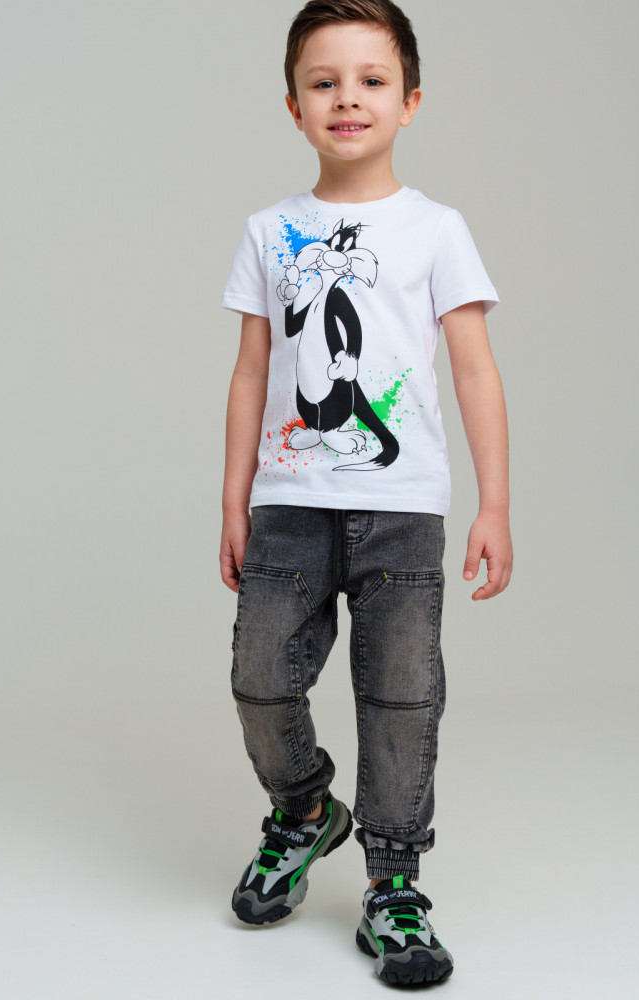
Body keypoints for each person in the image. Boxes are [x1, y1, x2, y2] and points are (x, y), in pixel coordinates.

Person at [219, 0, 512, 986]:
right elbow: (251, 373)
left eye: (372, 80)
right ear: (294, 105)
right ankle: (305, 807)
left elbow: (474, 370)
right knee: (260, 675)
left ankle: (393, 887)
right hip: (288, 504)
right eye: (325, 82)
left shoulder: (436, 230)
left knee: (401, 699)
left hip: (403, 513)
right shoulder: (269, 231)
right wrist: (233, 501)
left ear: (410, 101)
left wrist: (494, 503)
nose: (348, 98)